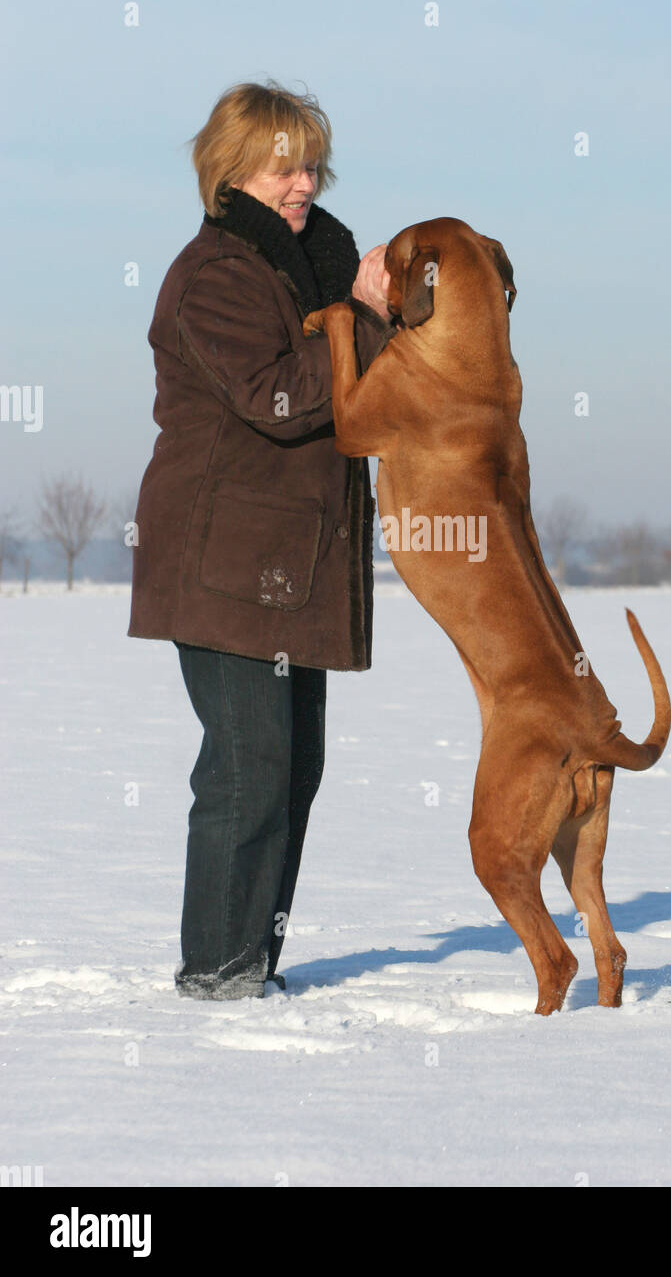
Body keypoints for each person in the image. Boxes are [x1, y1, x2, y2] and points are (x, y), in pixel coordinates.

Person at [127, 79, 396, 1000]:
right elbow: (278, 400)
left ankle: (252, 966)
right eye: (284, 163)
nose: (303, 182)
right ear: (233, 171)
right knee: (249, 770)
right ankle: (217, 976)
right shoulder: (217, 275)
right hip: (227, 564)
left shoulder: (302, 269)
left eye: (312, 163)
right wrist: (362, 321)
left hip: (290, 567)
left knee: (291, 773)